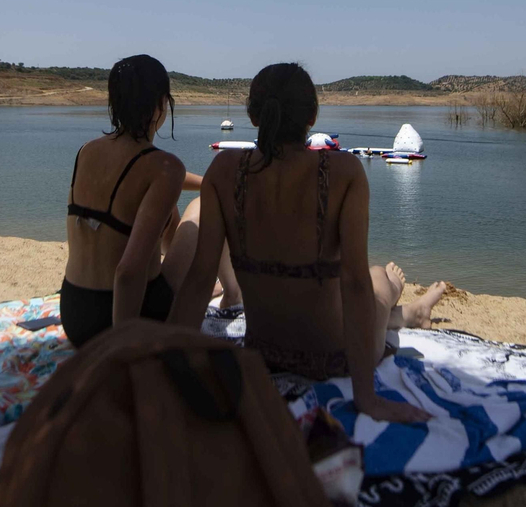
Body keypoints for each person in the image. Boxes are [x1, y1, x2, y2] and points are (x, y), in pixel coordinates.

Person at [170, 63, 446, 425]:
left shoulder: (224, 171)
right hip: (334, 358)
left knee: (374, 288)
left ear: (253, 116)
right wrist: (367, 397)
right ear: (312, 116)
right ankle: (406, 310)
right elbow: (354, 284)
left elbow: (200, 278)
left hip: (264, 353)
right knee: (379, 278)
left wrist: (169, 363)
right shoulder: (344, 172)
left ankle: (406, 315)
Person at [61, 54, 237, 347]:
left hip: (75, 314)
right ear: (161, 105)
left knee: (162, 206)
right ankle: (232, 293)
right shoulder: (163, 167)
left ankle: (224, 289)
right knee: (203, 205)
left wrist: (208, 182)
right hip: (123, 318)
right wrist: (125, 346)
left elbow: (147, 176)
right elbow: (129, 272)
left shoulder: (87, 151)